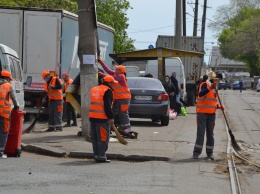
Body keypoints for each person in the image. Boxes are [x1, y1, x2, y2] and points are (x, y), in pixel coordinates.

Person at [193, 72, 224, 160]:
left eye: (219, 80)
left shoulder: (215, 88)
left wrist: (218, 106)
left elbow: (212, 101)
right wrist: (210, 88)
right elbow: (201, 94)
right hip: (202, 113)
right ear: (213, 78)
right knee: (201, 133)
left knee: (210, 134)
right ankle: (196, 152)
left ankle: (210, 153)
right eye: (217, 79)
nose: (218, 81)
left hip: (211, 114)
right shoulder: (204, 84)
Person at [97, 57, 132, 134]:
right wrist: (101, 62)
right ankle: (119, 126)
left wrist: (102, 74)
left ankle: (128, 128)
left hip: (124, 98)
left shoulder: (121, 76)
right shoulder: (116, 74)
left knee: (123, 113)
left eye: (117, 69)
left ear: (120, 71)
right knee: (116, 113)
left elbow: (111, 78)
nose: (115, 70)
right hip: (117, 98)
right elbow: (108, 70)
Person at [89, 75, 116, 163]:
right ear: (109, 83)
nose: (113, 85)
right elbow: (107, 106)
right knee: (103, 138)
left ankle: (96, 155)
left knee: (95, 138)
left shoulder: (94, 89)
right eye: (112, 83)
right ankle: (101, 156)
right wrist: (111, 117)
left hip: (93, 117)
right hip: (102, 119)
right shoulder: (107, 91)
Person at [0, 70, 19, 159]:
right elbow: (13, 98)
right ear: (7, 78)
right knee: (3, 132)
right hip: (4, 114)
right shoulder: (8, 86)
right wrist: (16, 106)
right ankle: (0, 152)